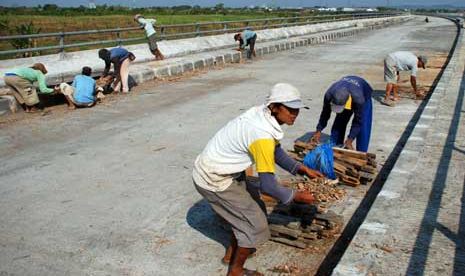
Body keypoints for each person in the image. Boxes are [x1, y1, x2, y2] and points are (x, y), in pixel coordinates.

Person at [193, 83, 324, 276]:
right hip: (213, 178)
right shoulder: (261, 133)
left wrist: (301, 168)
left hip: (224, 170)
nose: (294, 114)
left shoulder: (263, 115)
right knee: (257, 225)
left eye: (297, 109)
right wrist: (295, 196)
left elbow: (275, 151)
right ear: (274, 107)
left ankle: (232, 253)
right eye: (290, 109)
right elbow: (268, 186)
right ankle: (236, 271)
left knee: (252, 209)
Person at [311, 76, 373, 152]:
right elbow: (325, 113)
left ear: (347, 102)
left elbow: (358, 121)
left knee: (363, 125)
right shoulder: (329, 94)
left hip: (364, 92)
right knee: (340, 120)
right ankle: (336, 145)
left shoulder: (359, 99)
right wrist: (318, 131)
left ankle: (361, 151)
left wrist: (350, 139)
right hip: (347, 87)